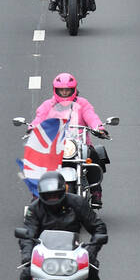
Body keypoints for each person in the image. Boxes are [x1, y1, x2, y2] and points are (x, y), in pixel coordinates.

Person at [16, 172, 107, 280]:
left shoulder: (77, 203)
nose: (52, 199)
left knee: (92, 270)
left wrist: (93, 248)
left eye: (55, 195)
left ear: (63, 191)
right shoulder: (34, 209)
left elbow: (98, 226)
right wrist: (27, 255)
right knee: (26, 272)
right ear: (41, 195)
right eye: (48, 196)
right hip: (44, 251)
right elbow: (27, 234)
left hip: (73, 249)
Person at [31, 72, 110, 204]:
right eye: (61, 90)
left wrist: (99, 128)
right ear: (55, 90)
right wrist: (32, 128)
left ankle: (96, 190)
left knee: (93, 156)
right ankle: (36, 194)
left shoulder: (83, 103)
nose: (64, 93)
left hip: (78, 144)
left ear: (73, 90)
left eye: (67, 90)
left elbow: (91, 117)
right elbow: (39, 119)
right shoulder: (47, 105)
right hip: (54, 145)